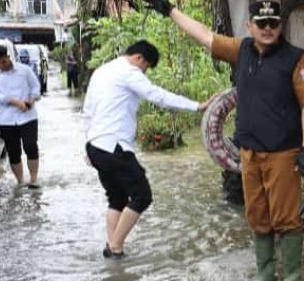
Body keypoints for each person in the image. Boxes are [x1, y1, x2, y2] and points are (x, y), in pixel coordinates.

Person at [143, 0, 304, 281]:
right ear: (249, 25)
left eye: (273, 23)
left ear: (280, 26)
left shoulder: (296, 58)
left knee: (286, 217)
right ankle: (266, 273)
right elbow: (205, 36)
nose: (267, 28)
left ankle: (292, 275)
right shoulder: (243, 50)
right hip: (249, 153)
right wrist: (169, 10)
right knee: (257, 214)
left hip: (283, 152)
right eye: (261, 23)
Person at [82, 40, 215, 259]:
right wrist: (196, 106)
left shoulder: (102, 71)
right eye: (146, 68)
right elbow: (157, 95)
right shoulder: (129, 72)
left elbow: (87, 111)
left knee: (116, 198)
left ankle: (114, 250)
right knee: (142, 196)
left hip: (95, 145)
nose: (145, 73)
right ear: (139, 59)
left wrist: (87, 145)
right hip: (113, 145)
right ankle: (114, 247)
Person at [0, 44, 42, 188]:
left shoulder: (24, 71)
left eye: (3, 61)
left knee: (31, 146)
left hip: (28, 117)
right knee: (13, 151)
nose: (1, 65)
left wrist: (31, 100)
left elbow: (36, 87)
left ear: (8, 57)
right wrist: (13, 101)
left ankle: (33, 179)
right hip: (6, 119)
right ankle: (20, 181)